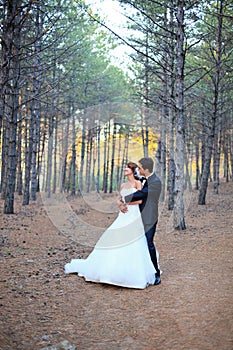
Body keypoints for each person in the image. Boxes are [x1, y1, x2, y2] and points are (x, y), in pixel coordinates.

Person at [64, 162, 157, 289]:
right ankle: (109, 271)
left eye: (127, 168)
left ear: (132, 170)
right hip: (123, 215)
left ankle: (131, 273)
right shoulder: (123, 185)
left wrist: (125, 203)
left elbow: (140, 200)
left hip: (134, 214)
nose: (124, 170)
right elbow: (119, 198)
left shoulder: (138, 183)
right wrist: (119, 203)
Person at [118, 157, 162, 285]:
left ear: (145, 169)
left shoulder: (155, 182)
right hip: (137, 217)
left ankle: (156, 273)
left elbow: (142, 194)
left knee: (148, 244)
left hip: (149, 218)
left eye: (140, 167)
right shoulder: (142, 180)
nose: (138, 169)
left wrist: (123, 199)